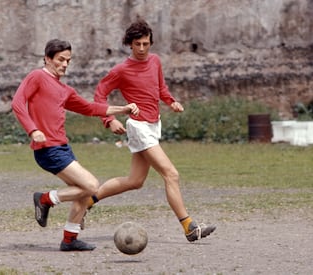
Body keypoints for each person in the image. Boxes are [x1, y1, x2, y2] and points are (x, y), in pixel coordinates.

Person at [87, 19, 216, 242]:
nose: (142, 49)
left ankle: (87, 201)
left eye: (146, 44)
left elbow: (160, 89)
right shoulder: (121, 70)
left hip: (153, 124)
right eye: (137, 44)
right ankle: (189, 227)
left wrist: (171, 101)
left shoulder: (155, 61)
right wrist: (108, 119)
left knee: (135, 181)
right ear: (130, 44)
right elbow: (100, 94)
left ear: (151, 43)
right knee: (171, 174)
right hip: (137, 126)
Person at [12, 39, 139, 252]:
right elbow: (17, 103)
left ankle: (70, 239)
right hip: (47, 149)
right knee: (91, 186)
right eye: (60, 59)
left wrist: (122, 109)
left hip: (62, 147)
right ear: (47, 58)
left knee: (83, 193)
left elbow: (89, 108)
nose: (64, 64)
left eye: (68, 61)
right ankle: (45, 199)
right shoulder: (37, 77)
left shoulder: (64, 90)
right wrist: (33, 130)